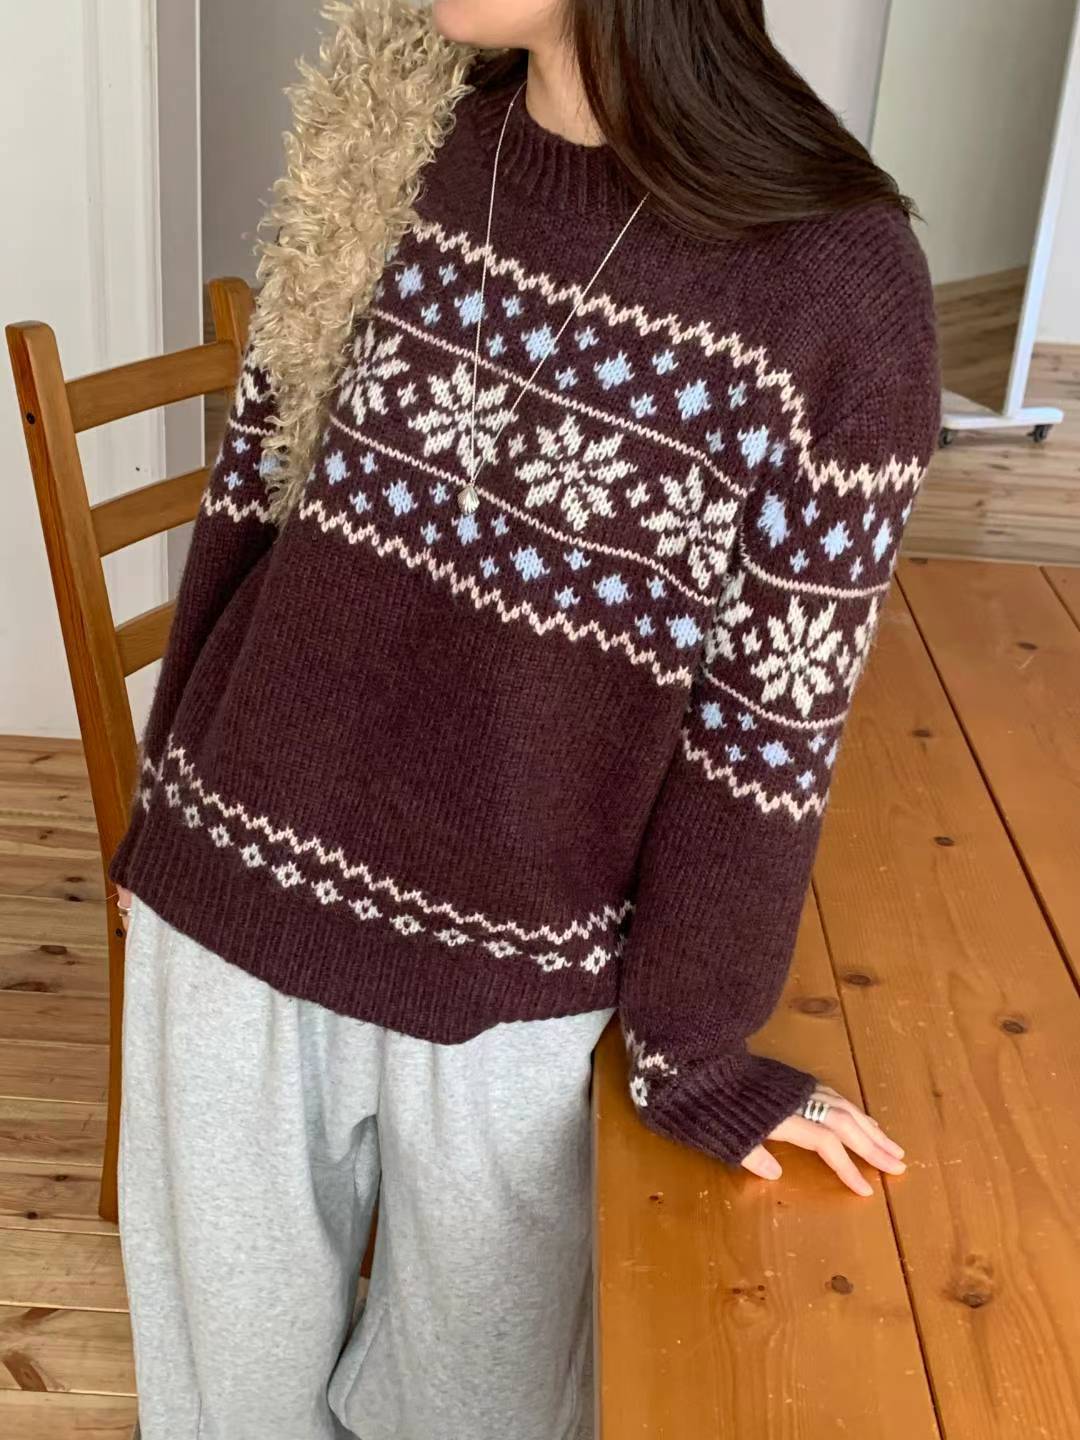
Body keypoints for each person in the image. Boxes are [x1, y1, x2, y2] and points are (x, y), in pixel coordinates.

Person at [111, 0, 940, 1435]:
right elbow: (254, 492)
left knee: (484, 1419)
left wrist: (694, 1049)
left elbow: (767, 735)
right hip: (233, 902)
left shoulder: (837, 283)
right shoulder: (390, 123)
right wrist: (162, 811)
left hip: (518, 993)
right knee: (223, 1417)